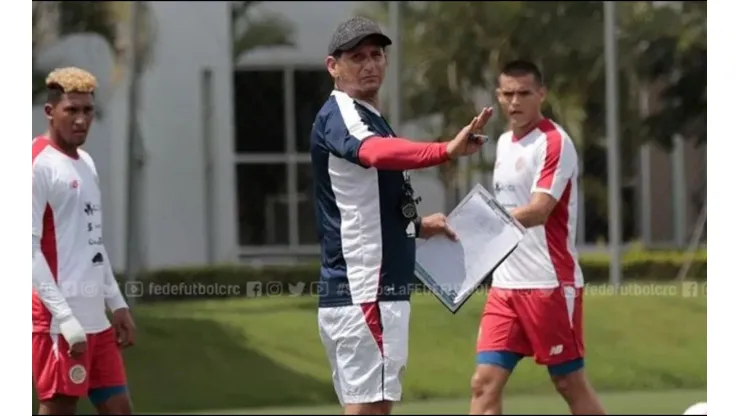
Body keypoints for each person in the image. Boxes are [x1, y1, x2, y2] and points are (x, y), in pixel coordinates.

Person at [311, 16, 493, 416]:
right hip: (366, 290)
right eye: (357, 56)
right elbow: (374, 154)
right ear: (333, 66)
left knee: (372, 409)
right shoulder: (342, 114)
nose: (370, 63)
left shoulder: (367, 115)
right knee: (369, 410)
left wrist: (417, 226)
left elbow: (367, 200)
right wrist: (444, 150)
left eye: (377, 54)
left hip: (370, 290)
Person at [469, 60, 605, 415]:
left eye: (524, 93)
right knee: (483, 384)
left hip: (549, 285)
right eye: (507, 94)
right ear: (498, 96)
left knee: (568, 384)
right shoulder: (502, 143)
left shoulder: (555, 142)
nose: (515, 101)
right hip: (505, 288)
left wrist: (479, 225)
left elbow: (539, 209)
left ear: (541, 94)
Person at [32, 67, 137, 415]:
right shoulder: (36, 166)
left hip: (97, 321)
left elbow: (94, 242)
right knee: (60, 410)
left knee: (120, 409)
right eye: (71, 110)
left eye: (87, 111)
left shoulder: (87, 163)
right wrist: (65, 318)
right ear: (50, 112)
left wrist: (117, 303)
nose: (81, 120)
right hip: (58, 322)